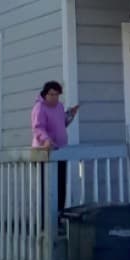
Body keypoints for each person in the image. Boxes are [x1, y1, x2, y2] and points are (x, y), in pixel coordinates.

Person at [31, 81, 79, 214]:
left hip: (60, 152)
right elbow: (38, 128)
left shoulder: (59, 106)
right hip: (45, 154)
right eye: (52, 94)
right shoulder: (39, 108)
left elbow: (62, 123)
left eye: (57, 95)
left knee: (61, 187)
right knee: (47, 189)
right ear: (45, 94)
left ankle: (58, 217)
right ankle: (45, 222)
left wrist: (70, 114)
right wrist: (46, 140)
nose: (54, 98)